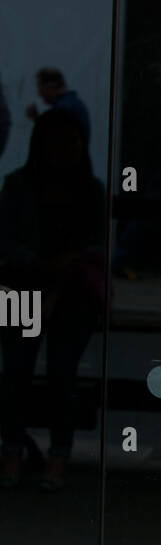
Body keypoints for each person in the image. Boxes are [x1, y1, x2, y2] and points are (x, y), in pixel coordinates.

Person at [0, 108, 105, 490]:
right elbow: (6, 239)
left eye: (74, 142)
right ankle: (13, 450)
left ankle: (56, 456)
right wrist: (36, 262)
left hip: (70, 292)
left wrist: (69, 263)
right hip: (25, 286)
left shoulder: (89, 190)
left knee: (62, 373)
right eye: (61, 142)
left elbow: (98, 244)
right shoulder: (18, 185)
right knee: (15, 371)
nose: (68, 149)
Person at [26, 68, 91, 148]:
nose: (39, 94)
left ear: (50, 86)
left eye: (40, 88)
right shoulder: (71, 105)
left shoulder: (64, 109)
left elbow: (57, 142)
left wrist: (38, 120)